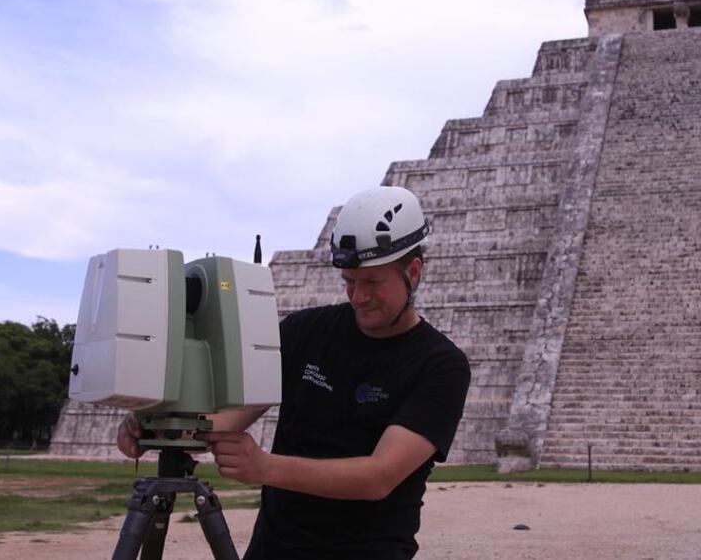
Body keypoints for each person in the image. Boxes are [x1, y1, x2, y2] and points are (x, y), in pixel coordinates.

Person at [117, 185, 471, 559]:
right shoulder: (305, 332)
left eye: (372, 282)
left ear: (413, 272)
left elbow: (379, 477)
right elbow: (234, 414)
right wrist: (163, 427)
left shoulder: (441, 365)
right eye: (349, 281)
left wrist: (264, 467)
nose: (358, 297)